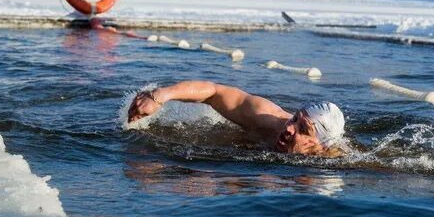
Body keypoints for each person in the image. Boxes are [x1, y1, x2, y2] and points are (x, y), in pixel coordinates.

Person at [127, 80, 346, 156]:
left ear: (321, 146)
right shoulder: (265, 116)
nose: (289, 128)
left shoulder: (331, 160)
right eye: (295, 118)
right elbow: (214, 91)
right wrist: (161, 96)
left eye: (303, 129)